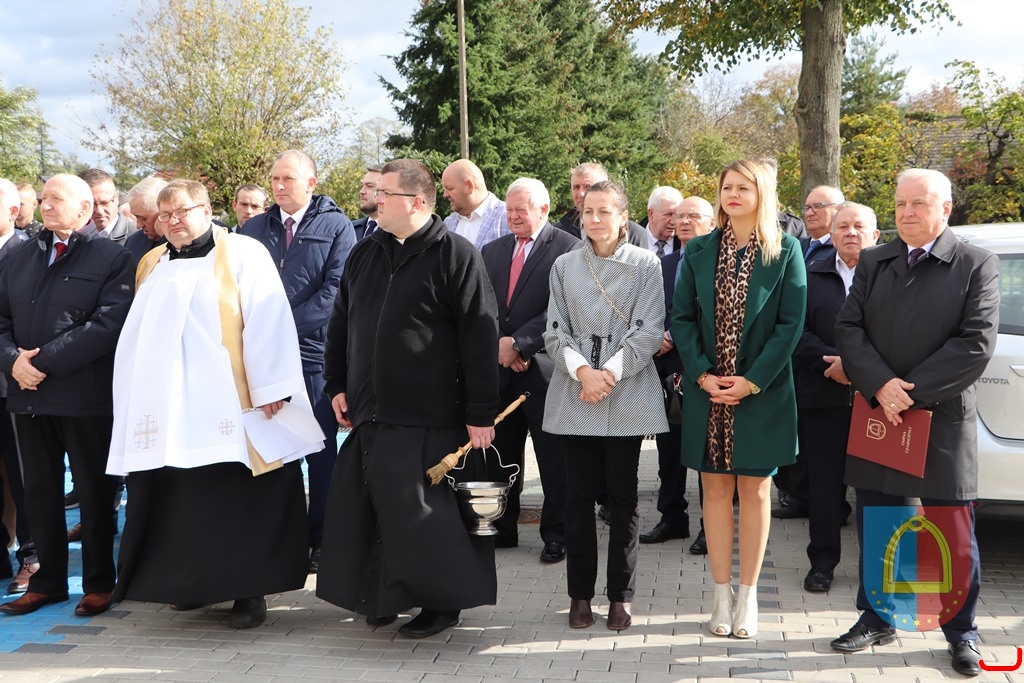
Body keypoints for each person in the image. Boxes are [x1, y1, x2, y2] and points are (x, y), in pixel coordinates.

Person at [107, 179, 320, 629]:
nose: (174, 221)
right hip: (170, 407)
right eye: (165, 215)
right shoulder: (151, 262)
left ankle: (248, 591)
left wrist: (271, 386)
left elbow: (269, 318)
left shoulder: (242, 253)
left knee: (238, 496)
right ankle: (193, 586)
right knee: (180, 497)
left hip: (231, 401)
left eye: (182, 211)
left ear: (206, 210)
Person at [317, 159, 499, 639]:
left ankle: (441, 603)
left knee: (425, 520)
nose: (375, 201)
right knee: (374, 512)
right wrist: (336, 384)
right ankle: (383, 597)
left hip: (430, 415)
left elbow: (479, 338)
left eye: (385, 194)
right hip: (370, 411)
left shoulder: (456, 255)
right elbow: (341, 324)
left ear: (417, 202)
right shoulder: (365, 252)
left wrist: (481, 411)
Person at [831, 169, 999, 677]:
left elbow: (975, 343)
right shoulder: (875, 261)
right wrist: (880, 385)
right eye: (901, 203)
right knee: (881, 523)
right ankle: (878, 617)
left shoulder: (975, 263)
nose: (906, 212)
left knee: (952, 529)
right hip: (881, 415)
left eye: (919, 203)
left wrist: (909, 392)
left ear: (945, 209)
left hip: (941, 417)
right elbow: (849, 327)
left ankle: (961, 631)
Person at [670, 159, 806, 639]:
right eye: (727, 186)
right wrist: (702, 374)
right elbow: (681, 318)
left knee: (755, 490)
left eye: (743, 187)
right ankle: (720, 595)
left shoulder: (785, 250)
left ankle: (748, 596)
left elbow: (791, 324)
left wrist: (752, 381)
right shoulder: (699, 249)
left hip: (761, 393)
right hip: (708, 392)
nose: (732, 194)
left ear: (762, 193)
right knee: (713, 491)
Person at [0, 173, 133, 617]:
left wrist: (42, 363)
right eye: (43, 199)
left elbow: (107, 325)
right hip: (28, 397)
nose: (46, 206)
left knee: (94, 495)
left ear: (84, 208)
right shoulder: (21, 256)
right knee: (38, 495)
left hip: (84, 398)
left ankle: (98, 583)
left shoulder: (111, 257)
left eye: (56, 199)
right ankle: (48, 583)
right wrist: (12, 362)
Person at [543, 180, 668, 632]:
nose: (594, 220)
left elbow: (649, 330)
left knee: (622, 498)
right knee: (577, 498)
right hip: (576, 388)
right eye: (588, 211)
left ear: (622, 216)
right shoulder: (564, 265)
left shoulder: (646, 264)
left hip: (626, 387)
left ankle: (621, 596)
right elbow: (554, 330)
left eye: (604, 211)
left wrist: (608, 374)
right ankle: (580, 595)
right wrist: (583, 373)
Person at [242, 150, 356, 574]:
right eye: (274, 178)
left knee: (319, 450)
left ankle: (323, 537)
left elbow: (336, 291)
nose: (278, 186)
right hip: (262, 358)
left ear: (311, 183)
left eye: (287, 178)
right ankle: (281, 538)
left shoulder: (336, 225)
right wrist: (262, 338)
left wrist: (282, 329)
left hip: (313, 358)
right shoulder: (254, 228)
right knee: (272, 451)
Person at [480, 178, 581, 561]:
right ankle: (502, 527)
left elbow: (564, 306)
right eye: (508, 209)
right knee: (501, 456)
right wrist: (500, 344)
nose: (513, 216)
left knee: (554, 461)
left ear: (543, 209)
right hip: (501, 372)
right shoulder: (492, 250)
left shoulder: (568, 248)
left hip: (545, 371)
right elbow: (482, 304)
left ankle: (557, 535)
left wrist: (520, 344)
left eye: (520, 209)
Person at [794, 202, 879, 593]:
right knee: (824, 486)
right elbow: (795, 330)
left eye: (859, 226)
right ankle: (822, 564)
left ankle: (877, 570)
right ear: (831, 233)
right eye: (843, 226)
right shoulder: (810, 273)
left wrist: (855, 367)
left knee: (875, 488)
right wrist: (833, 363)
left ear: (875, 234)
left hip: (877, 400)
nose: (850, 233)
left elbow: (899, 333)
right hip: (823, 393)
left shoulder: (890, 275)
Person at [642, 196, 716, 554]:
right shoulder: (665, 263)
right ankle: (672, 517)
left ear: (712, 223)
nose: (683, 221)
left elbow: (717, 315)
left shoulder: (718, 263)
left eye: (693, 216)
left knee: (705, 453)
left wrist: (672, 335)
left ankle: (710, 527)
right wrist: (655, 336)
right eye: (679, 215)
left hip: (703, 369)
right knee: (668, 451)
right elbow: (649, 308)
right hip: (667, 370)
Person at [773, 184, 845, 520]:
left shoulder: (841, 250)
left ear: (838, 209)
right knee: (796, 433)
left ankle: (828, 505)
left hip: (826, 365)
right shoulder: (797, 247)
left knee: (826, 447)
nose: (810, 212)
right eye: (807, 207)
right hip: (790, 359)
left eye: (819, 206)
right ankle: (798, 495)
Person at [0, 179, 36, 593]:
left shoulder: (28, 255)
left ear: (14, 212)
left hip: (14, 381)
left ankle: (31, 556)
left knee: (25, 475)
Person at [553, 162, 646, 247]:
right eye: (576, 187)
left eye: (588, 186)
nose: (581, 193)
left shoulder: (635, 235)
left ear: (605, 187)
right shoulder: (558, 233)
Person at [440, 159, 510, 250]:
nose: (445, 194)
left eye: (449, 188)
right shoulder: (449, 222)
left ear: (469, 186)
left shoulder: (507, 217)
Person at [78, 169, 138, 245]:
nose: (99, 211)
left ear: (116, 197)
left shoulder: (138, 237)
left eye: (105, 203)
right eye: (92, 204)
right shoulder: (69, 237)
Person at [123, 177, 169, 264]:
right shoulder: (133, 241)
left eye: (143, 218)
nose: (138, 225)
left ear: (163, 213)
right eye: (136, 217)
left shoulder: (184, 242)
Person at [643, 186, 683, 257]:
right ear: (651, 214)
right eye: (668, 214)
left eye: (678, 215)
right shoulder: (631, 240)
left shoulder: (686, 245)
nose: (673, 222)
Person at [351, 165, 382, 239]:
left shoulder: (398, 233)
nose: (361, 191)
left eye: (369, 186)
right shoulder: (350, 229)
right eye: (362, 186)